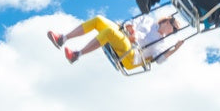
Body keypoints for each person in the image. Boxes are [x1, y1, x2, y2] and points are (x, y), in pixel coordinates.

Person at [46, 14, 182, 67]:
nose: (172, 31)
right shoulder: (149, 21)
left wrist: (175, 49)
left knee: (110, 32)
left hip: (132, 52)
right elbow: (130, 21)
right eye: (173, 26)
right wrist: (131, 29)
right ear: (167, 21)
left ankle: (77, 54)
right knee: (98, 19)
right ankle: (62, 38)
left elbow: (159, 59)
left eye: (174, 31)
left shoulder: (161, 43)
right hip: (125, 34)